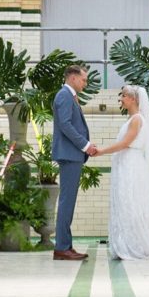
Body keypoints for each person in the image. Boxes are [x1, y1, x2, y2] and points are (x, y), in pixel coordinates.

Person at [95, 85, 149, 260]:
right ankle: (125, 243)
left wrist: (101, 151)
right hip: (126, 164)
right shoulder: (132, 119)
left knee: (131, 202)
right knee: (125, 202)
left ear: (134, 99)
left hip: (131, 166)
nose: (121, 99)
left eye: (124, 96)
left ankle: (134, 246)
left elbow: (125, 143)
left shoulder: (137, 119)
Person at [51, 64, 98, 261]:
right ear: (72, 78)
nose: (85, 83)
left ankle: (65, 246)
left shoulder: (69, 97)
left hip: (73, 155)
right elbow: (65, 125)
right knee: (66, 202)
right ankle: (62, 247)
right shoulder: (64, 95)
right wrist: (85, 145)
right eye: (83, 80)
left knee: (68, 203)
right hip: (70, 155)